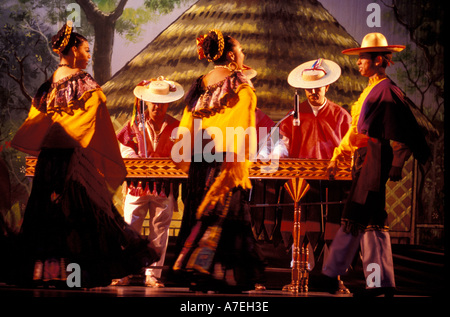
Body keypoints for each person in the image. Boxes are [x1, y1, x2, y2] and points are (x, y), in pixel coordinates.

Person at [9, 21, 158, 288]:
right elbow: (92, 116)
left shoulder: (47, 86)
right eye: (86, 50)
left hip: (48, 161)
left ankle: (48, 275)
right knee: (81, 215)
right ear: (74, 51)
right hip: (72, 160)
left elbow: (37, 123)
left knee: (46, 215)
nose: (89, 56)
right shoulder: (84, 83)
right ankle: (75, 277)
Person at [322, 33, 430, 297]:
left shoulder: (387, 90)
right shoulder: (370, 90)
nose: (358, 63)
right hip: (365, 156)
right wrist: (339, 154)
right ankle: (381, 282)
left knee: (355, 212)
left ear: (378, 60)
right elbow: (354, 131)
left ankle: (331, 272)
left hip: (375, 156)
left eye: (363, 59)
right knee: (372, 219)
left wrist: (397, 160)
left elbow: (403, 128)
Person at [172, 29, 265, 292]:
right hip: (226, 162)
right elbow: (244, 128)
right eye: (242, 50)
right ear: (233, 55)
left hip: (201, 163)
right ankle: (224, 278)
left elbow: (187, 125)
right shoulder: (240, 84)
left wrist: (186, 157)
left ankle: (197, 272)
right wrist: (239, 163)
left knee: (202, 217)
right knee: (226, 220)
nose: (243, 54)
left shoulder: (201, 84)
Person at [276, 58, 352, 292]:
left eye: (317, 88)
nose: (312, 92)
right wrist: (279, 152)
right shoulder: (292, 116)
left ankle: (336, 280)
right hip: (301, 182)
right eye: (308, 89)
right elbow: (283, 142)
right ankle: (299, 277)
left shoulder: (341, 115)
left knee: (334, 231)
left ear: (326, 87)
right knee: (301, 230)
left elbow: (350, 148)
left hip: (332, 181)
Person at [116, 77, 183, 287]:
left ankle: (152, 275)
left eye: (161, 103)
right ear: (147, 102)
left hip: (163, 188)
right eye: (154, 102)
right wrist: (135, 160)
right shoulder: (134, 124)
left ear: (168, 104)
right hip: (137, 187)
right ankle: (124, 272)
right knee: (129, 229)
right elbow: (121, 145)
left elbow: (185, 154)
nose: (157, 107)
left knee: (160, 232)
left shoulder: (177, 126)